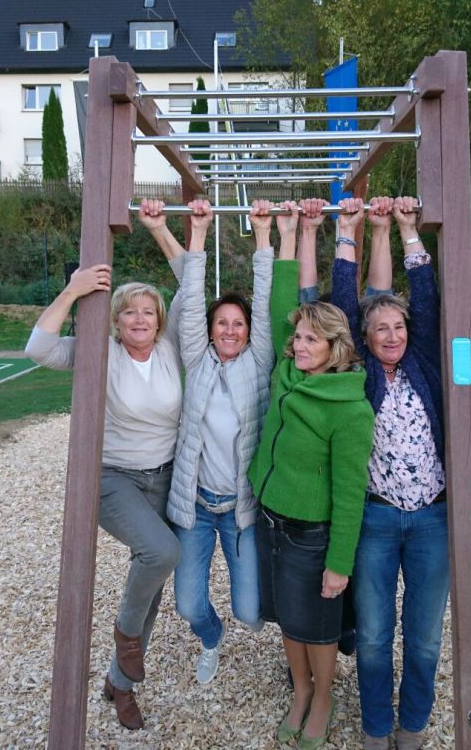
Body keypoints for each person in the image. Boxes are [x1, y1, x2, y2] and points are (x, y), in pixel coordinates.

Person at [23, 199, 191, 731]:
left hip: (164, 476)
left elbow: (191, 283)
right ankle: (125, 635)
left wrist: (159, 229)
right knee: (162, 551)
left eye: (148, 311)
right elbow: (39, 349)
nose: (140, 319)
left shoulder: (170, 348)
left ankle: (120, 683)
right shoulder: (101, 350)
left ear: (159, 320)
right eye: (129, 312)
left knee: (154, 579)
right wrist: (74, 291)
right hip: (114, 477)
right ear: (115, 320)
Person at [248, 198, 375, 750]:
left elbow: (350, 493)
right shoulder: (288, 372)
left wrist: (339, 564)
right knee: (286, 617)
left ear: (334, 348)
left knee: (318, 625)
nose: (298, 345)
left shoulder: (349, 408)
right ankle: (300, 690)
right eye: (297, 337)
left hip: (311, 533)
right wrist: (282, 235)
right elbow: (283, 303)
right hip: (270, 520)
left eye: (310, 340)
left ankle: (323, 696)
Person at [329, 196, 449, 750]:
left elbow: (426, 296)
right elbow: (341, 304)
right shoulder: (362, 374)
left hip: (431, 520)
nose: (393, 335)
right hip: (376, 519)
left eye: (399, 326)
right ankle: (377, 726)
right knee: (375, 635)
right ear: (366, 336)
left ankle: (413, 724)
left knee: (423, 637)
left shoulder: (422, 362)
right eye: (381, 328)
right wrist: (347, 231)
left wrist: (408, 230)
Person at [165, 199, 276, 684]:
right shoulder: (198, 359)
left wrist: (263, 234)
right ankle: (211, 638)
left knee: (251, 611)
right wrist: (197, 232)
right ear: (210, 330)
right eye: (221, 322)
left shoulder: (259, 361)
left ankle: (249, 625)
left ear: (249, 331)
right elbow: (191, 300)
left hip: (240, 509)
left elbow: (265, 297)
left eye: (238, 323)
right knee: (189, 605)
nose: (230, 330)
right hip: (195, 505)